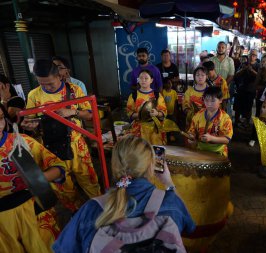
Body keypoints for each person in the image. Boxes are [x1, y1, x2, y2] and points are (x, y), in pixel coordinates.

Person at [53, 135, 196, 253]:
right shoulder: (171, 203)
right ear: (151, 166)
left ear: (115, 166)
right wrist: (169, 183)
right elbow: (189, 227)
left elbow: (63, 248)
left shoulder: (91, 209)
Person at [21, 59, 101, 212]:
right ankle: (78, 213)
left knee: (89, 181)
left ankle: (100, 209)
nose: (46, 87)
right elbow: (31, 120)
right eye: (41, 84)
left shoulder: (74, 90)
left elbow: (90, 115)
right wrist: (29, 126)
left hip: (77, 145)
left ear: (59, 76)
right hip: (51, 150)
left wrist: (73, 111)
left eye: (50, 83)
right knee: (64, 189)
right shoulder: (34, 95)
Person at [0, 103, 66, 253]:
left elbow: (59, 166)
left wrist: (39, 178)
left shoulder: (21, 141)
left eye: (1, 118)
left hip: (34, 211)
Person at [188, 86, 233, 157]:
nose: (209, 104)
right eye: (206, 100)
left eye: (212, 101)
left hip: (218, 151)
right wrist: (191, 137)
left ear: (220, 100)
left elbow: (227, 139)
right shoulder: (198, 115)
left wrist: (212, 138)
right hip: (200, 150)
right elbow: (192, 132)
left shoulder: (225, 118)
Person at [126, 69, 167, 145]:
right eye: (141, 78)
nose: (143, 80)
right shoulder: (133, 95)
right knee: (140, 152)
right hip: (139, 130)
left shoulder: (157, 95)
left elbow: (164, 112)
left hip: (154, 130)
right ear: (138, 80)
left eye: (146, 78)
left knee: (155, 152)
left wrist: (157, 113)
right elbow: (129, 112)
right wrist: (140, 115)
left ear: (151, 80)